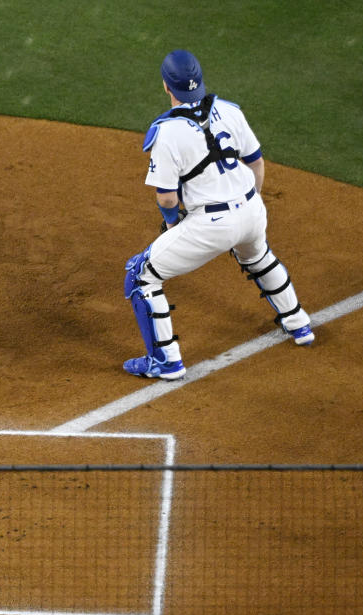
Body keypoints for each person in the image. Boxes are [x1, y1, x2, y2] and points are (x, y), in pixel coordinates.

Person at [123, 50, 314, 380]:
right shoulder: (229, 110)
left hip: (210, 225)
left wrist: (172, 225)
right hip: (252, 209)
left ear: (166, 86)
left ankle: (165, 361)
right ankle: (299, 323)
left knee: (141, 275)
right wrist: (251, 201)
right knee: (258, 256)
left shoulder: (167, 132)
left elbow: (166, 195)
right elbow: (255, 161)